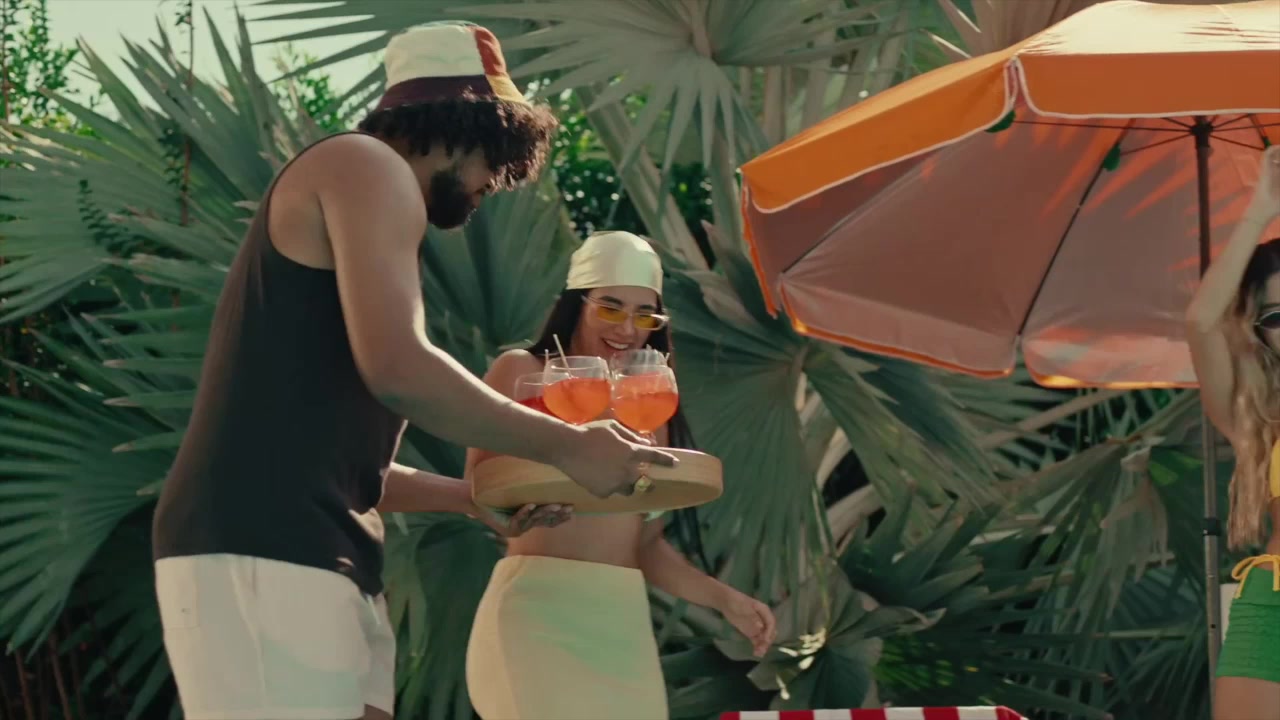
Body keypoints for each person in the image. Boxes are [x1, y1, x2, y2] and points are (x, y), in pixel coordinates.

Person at [150, 23, 674, 720]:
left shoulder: (369, 191)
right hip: (263, 544)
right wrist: (571, 447)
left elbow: (336, 455)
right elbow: (400, 369)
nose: (492, 184)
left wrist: (468, 497)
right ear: (459, 125)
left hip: (322, 548)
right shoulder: (367, 165)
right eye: (495, 158)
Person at [463, 231, 777, 720]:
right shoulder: (521, 371)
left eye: (644, 315)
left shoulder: (648, 401)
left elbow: (645, 544)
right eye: (610, 308)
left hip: (622, 619)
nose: (628, 329)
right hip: (536, 608)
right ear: (576, 302)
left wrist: (725, 600)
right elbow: (477, 488)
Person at [1186, 144, 1280, 720]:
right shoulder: (1260, 415)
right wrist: (1260, 210)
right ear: (1258, 332)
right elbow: (1202, 321)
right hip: (1274, 606)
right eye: (1278, 317)